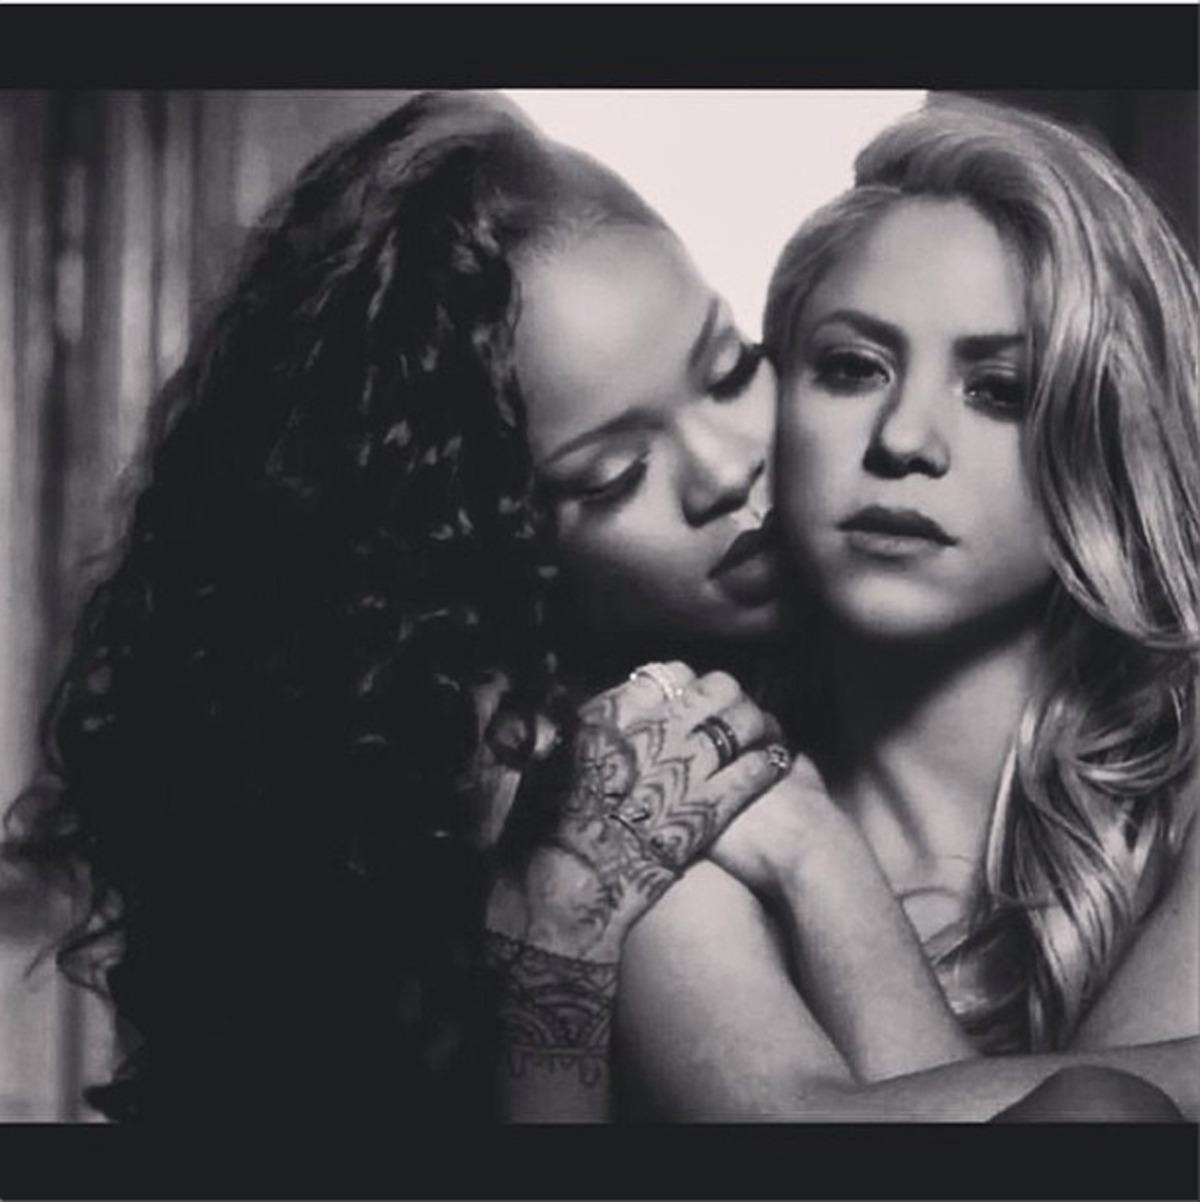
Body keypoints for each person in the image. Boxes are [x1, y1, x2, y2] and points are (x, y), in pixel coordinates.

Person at [3, 90, 792, 1123]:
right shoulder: (519, 782)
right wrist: (554, 932)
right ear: (490, 547)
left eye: (731, 369)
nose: (729, 469)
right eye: (615, 474)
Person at [617, 95, 1198, 1121]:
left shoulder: (1183, 781)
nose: (903, 440)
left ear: (1102, 434)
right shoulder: (681, 779)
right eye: (853, 368)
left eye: (998, 388)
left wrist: (817, 857)